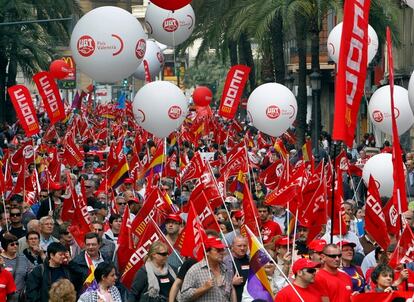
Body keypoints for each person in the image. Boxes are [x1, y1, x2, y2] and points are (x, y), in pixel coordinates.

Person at [180, 237, 236, 302]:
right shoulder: (195, 270)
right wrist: (203, 288)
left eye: (222, 249)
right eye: (218, 250)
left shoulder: (225, 269)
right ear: (207, 252)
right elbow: (184, 296)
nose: (221, 253)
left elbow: (230, 292)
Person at [0, 232, 33, 302]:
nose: (15, 246)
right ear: (5, 246)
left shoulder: (23, 258)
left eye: (17, 243)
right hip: (4, 297)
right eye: (12, 244)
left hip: (20, 297)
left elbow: (32, 273)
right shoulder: (0, 259)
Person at [224, 236, 249, 302]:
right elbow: (219, 285)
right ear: (232, 247)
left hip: (248, 298)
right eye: (239, 246)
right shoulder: (225, 261)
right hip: (232, 298)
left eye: (245, 245)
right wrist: (232, 283)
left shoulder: (251, 260)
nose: (242, 248)